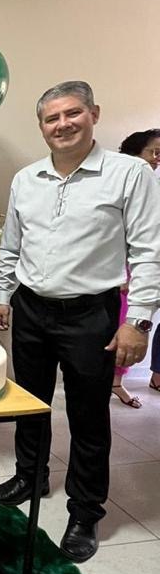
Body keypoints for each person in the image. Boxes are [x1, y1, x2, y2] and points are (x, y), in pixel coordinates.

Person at [0, 81, 160, 563]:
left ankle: (85, 511)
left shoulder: (129, 173)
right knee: (30, 402)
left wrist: (138, 322)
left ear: (94, 114)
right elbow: (12, 247)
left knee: (88, 417)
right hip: (31, 309)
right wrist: (3, 296)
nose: (62, 125)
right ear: (41, 126)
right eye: (51, 118)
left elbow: (149, 251)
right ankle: (31, 475)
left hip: (92, 314)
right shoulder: (27, 179)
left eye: (72, 114)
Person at [110, 130, 160, 407]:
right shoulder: (119, 183)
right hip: (122, 270)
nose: (156, 159)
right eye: (153, 152)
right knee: (120, 327)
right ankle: (114, 382)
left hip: (142, 268)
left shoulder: (152, 183)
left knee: (132, 327)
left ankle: (116, 381)